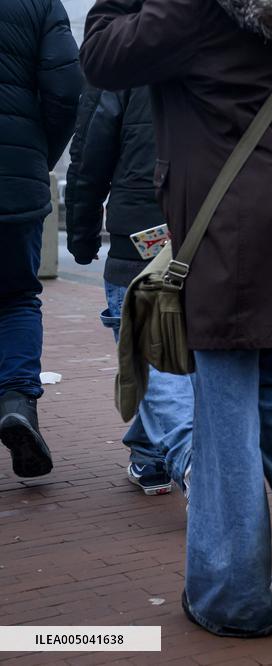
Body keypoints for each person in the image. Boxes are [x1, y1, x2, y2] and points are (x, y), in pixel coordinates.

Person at [80, 0, 272, 637]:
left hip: (225, 239)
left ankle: (231, 597)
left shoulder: (194, 10)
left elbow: (103, 57)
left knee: (224, 423)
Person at [65, 84, 194, 496]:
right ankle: (149, 455)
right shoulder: (230, 37)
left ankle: (190, 457)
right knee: (188, 347)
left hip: (140, 230)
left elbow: (90, 155)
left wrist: (83, 234)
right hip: (214, 220)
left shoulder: (122, 52)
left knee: (150, 349)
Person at [0, 0, 83, 478]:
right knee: (14, 298)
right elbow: (65, 88)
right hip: (14, 180)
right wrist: (38, 156)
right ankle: (16, 403)